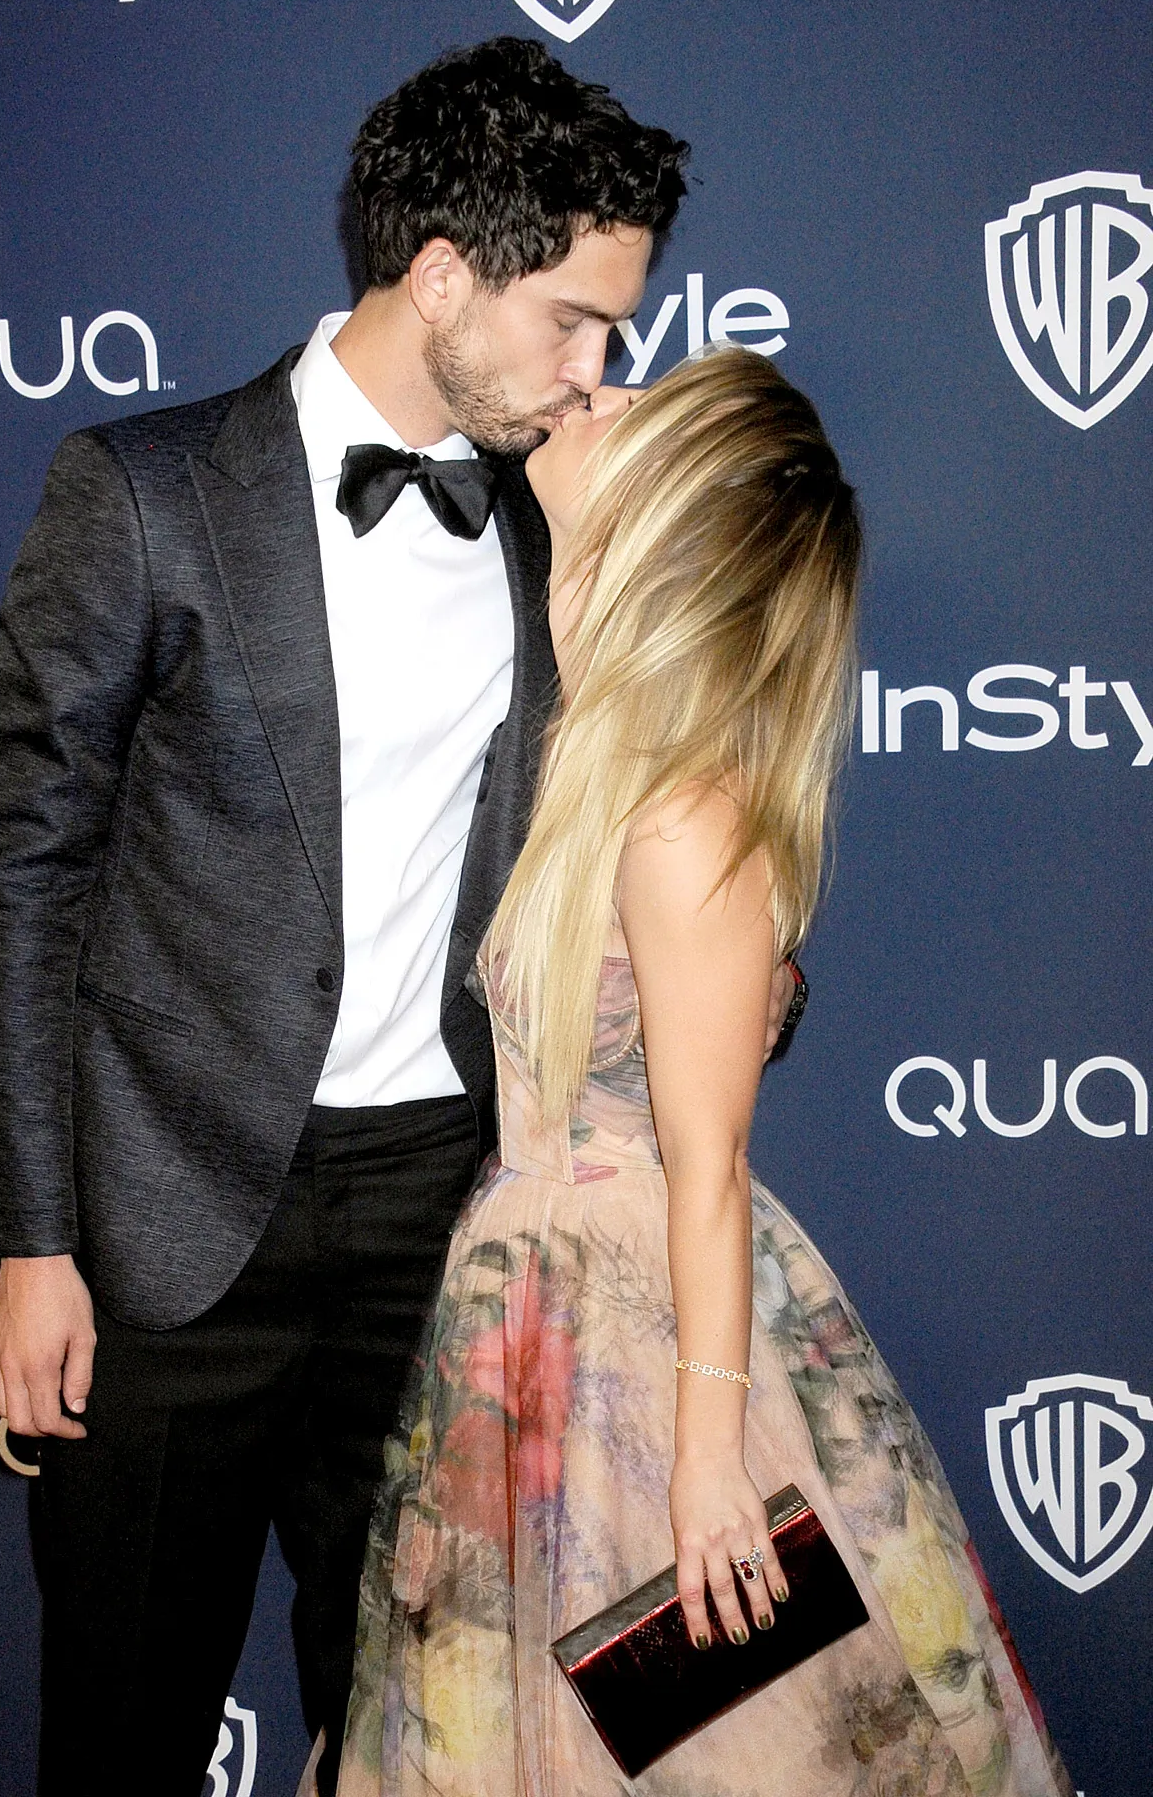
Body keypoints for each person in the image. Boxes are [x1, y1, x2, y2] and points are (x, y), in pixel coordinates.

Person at [0, 36, 797, 1797]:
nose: (597, 371)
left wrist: (749, 974)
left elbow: (678, 806)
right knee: (121, 1726)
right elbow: (20, 879)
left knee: (426, 1739)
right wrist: (32, 1240)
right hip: (167, 1229)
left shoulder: (565, 524)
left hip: (447, 1223)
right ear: (442, 276)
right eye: (573, 321)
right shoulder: (144, 492)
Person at [335, 351, 1073, 1797]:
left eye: (634, 413)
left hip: (642, 1334)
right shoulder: (598, 746)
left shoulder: (684, 816)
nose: (591, 396)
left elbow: (710, 1163)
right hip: (526, 1312)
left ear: (665, 515)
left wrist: (708, 1456)